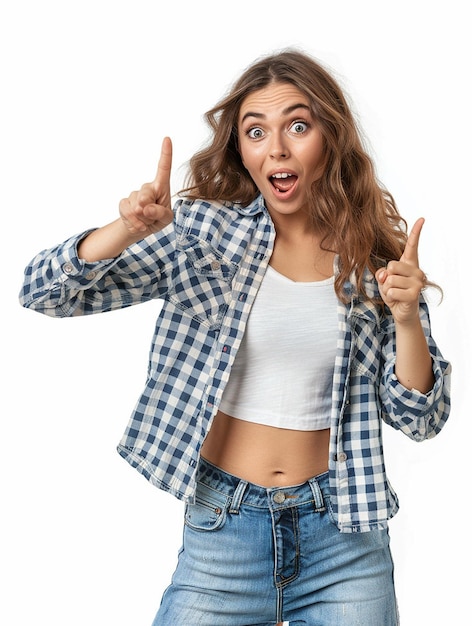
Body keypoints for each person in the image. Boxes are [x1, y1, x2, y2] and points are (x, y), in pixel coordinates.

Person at [19, 49, 451, 625]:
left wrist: (403, 319)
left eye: (298, 126)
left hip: (344, 537)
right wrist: (125, 228)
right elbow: (43, 292)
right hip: (224, 530)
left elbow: (421, 419)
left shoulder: (373, 262)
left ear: (330, 138)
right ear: (241, 151)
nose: (277, 148)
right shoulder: (203, 236)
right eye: (256, 132)